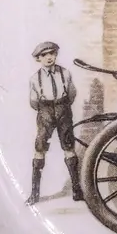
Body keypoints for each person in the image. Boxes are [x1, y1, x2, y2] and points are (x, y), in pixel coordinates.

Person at [27, 42, 82, 205]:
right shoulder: (35, 79)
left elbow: (72, 94)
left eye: (52, 53)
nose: (49, 57)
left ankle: (77, 190)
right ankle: (34, 194)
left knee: (69, 147)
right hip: (45, 112)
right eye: (44, 55)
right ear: (38, 58)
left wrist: (62, 107)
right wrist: (46, 111)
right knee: (40, 147)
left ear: (56, 55)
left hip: (63, 109)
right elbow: (33, 101)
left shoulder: (65, 73)